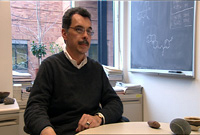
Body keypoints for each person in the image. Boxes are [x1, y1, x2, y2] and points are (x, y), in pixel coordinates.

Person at [24, 7, 123, 135]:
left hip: (93, 131)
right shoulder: (50, 66)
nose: (85, 36)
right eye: (79, 29)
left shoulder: (96, 69)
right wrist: (46, 130)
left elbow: (115, 103)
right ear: (64, 33)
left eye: (89, 31)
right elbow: (34, 109)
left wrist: (98, 118)